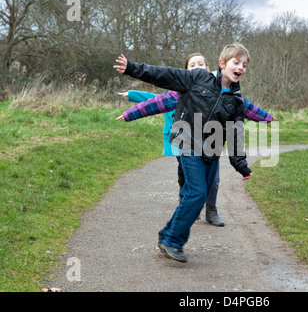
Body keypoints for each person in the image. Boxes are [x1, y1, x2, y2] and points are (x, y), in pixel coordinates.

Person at [114, 43, 252, 262]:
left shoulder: (236, 101)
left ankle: (167, 236)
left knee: (195, 196)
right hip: (186, 141)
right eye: (236, 63)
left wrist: (241, 164)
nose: (241, 68)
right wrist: (132, 68)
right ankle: (172, 241)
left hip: (210, 150)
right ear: (222, 64)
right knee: (196, 193)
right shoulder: (198, 78)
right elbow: (163, 75)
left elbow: (236, 135)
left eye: (244, 65)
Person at [115, 53, 274, 227]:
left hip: (211, 145)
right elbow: (154, 103)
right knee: (187, 177)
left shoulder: (226, 92)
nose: (196, 67)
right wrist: (129, 113)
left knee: (213, 179)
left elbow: (246, 107)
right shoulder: (181, 90)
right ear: (186, 72)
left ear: (208, 69)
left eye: (200, 64)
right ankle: (188, 207)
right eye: (192, 65)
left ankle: (211, 209)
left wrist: (266, 117)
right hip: (187, 143)